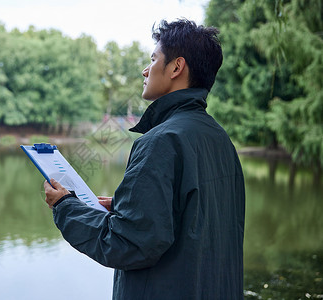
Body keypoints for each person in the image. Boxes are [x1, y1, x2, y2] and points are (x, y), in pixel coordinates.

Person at [44, 19, 245, 300]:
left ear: (176, 67)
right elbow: (194, 217)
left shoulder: (160, 142)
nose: (145, 69)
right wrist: (126, 206)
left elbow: (127, 243)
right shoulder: (220, 140)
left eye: (153, 59)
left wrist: (66, 206)